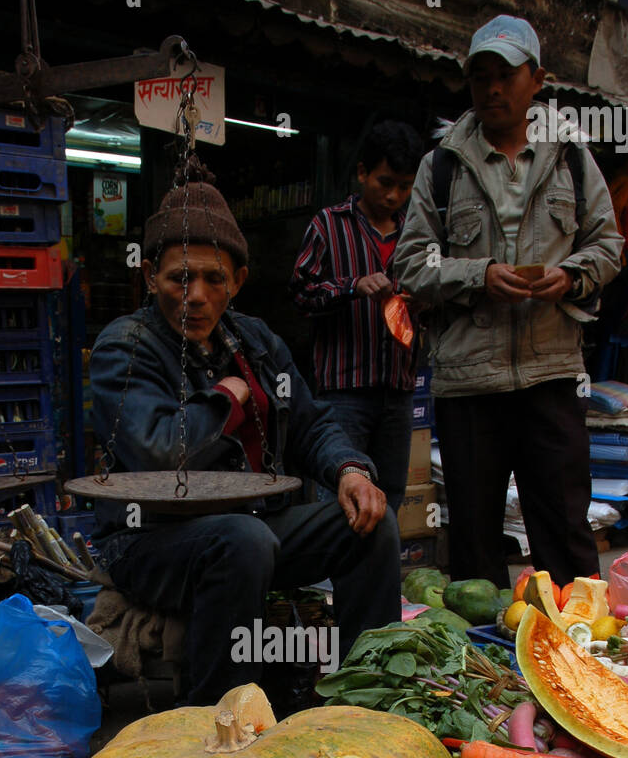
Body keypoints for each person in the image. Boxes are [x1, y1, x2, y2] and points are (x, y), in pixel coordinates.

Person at [89, 167, 401, 707]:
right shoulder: (126, 345)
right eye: (178, 278)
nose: (196, 296)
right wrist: (226, 399)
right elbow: (157, 454)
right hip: (152, 541)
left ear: (238, 281)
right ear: (148, 277)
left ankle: (367, 701)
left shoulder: (255, 340)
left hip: (254, 527)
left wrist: (350, 470)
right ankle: (217, 718)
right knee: (243, 541)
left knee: (370, 522)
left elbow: (312, 422)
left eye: (215, 280)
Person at [394, 16, 624, 587]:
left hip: (552, 373)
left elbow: (609, 244)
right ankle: (489, 667)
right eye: (481, 78)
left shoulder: (569, 155)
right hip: (470, 382)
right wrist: (479, 275)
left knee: (565, 531)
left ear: (537, 79)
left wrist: (570, 276)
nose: (493, 89)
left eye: (506, 75)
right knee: (473, 540)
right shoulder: (442, 164)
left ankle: (576, 658)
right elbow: (410, 263)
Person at [289, 120, 424, 513]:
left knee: (391, 493)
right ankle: (332, 577)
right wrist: (351, 286)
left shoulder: (414, 234)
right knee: (339, 497)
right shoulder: (328, 225)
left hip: (397, 391)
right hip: (344, 392)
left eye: (404, 185)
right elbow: (300, 294)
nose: (394, 195)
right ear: (362, 173)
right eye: (385, 182)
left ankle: (377, 576)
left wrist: (421, 303)